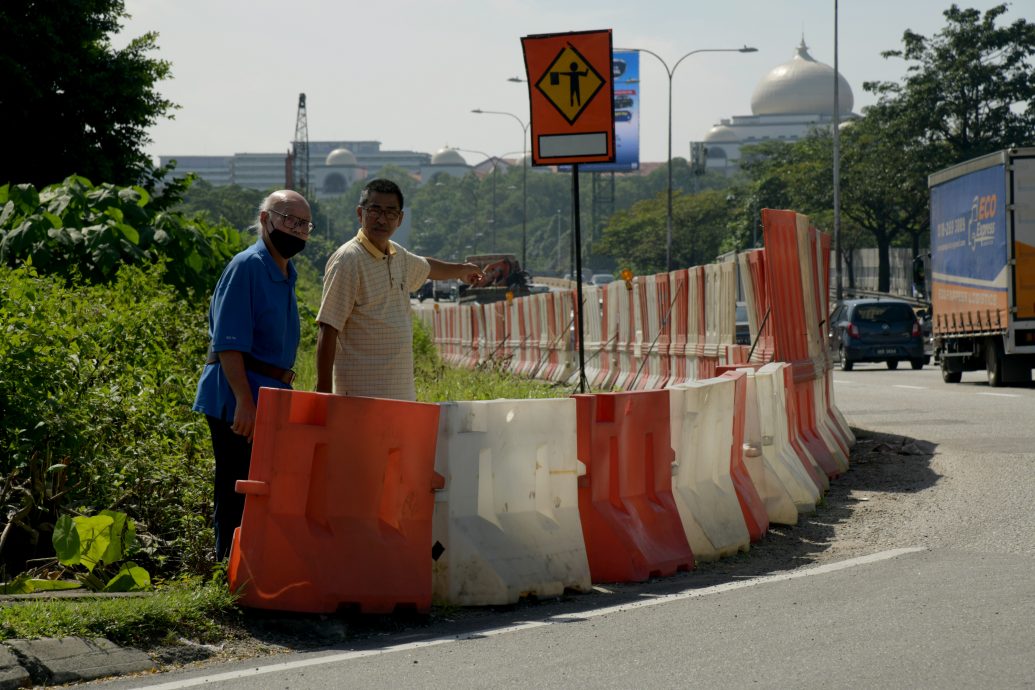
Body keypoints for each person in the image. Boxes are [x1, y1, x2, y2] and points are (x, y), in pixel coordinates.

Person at [193, 189, 312, 560]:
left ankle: (251, 564)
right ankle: (226, 563)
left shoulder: (285, 272)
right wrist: (244, 401)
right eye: (289, 219)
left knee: (260, 483)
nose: (296, 229)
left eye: (304, 224)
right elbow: (229, 344)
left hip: (269, 392)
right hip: (238, 394)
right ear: (265, 219)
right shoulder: (248, 266)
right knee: (236, 483)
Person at [316, 178, 482, 401]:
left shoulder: (397, 255)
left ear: (400, 218)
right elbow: (328, 327)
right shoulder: (348, 260)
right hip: (359, 397)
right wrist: (323, 397)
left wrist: (461, 270)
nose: (382, 219)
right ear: (360, 213)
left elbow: (426, 267)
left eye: (390, 212)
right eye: (374, 210)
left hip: (399, 395)